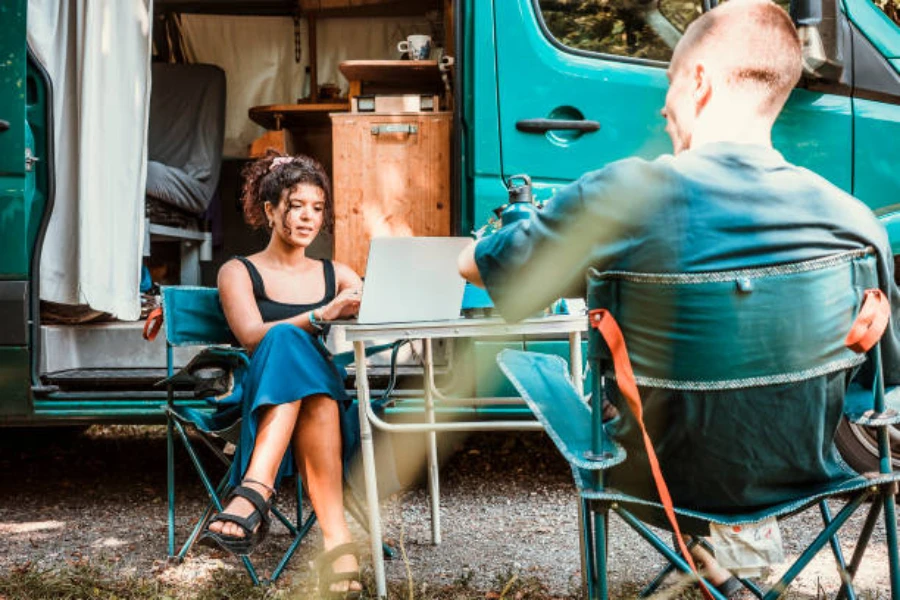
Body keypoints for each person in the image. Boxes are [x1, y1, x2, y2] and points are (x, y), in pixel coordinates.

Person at [459, 0, 900, 595]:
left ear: (698, 81)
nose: (664, 106)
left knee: (543, 365)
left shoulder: (620, 194)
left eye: (669, 82)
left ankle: (710, 555)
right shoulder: (855, 223)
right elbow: (880, 379)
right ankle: (734, 560)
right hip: (808, 472)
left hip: (654, 477)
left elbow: (480, 268)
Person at [200, 153, 363, 597]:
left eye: (317, 206)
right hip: (258, 399)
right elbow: (252, 335)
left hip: (320, 402)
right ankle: (339, 543)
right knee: (287, 345)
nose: (309, 217)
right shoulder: (238, 271)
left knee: (308, 373)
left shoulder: (340, 275)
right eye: (296, 206)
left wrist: (366, 297)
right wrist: (321, 316)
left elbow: (386, 312)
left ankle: (254, 491)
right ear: (271, 210)